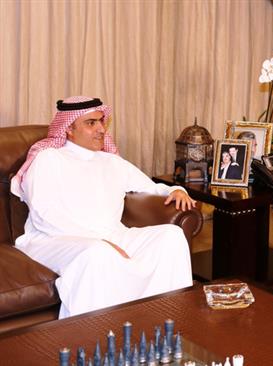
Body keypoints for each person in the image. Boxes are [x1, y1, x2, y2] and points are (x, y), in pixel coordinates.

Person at [10, 96, 197, 319]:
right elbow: (45, 215)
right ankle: (92, 340)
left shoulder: (112, 162)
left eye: (101, 122)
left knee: (172, 236)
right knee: (97, 254)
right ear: (68, 128)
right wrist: (100, 241)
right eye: (91, 123)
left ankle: (163, 322)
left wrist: (176, 191)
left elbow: (151, 186)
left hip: (112, 236)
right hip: (55, 239)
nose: (101, 129)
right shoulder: (49, 159)